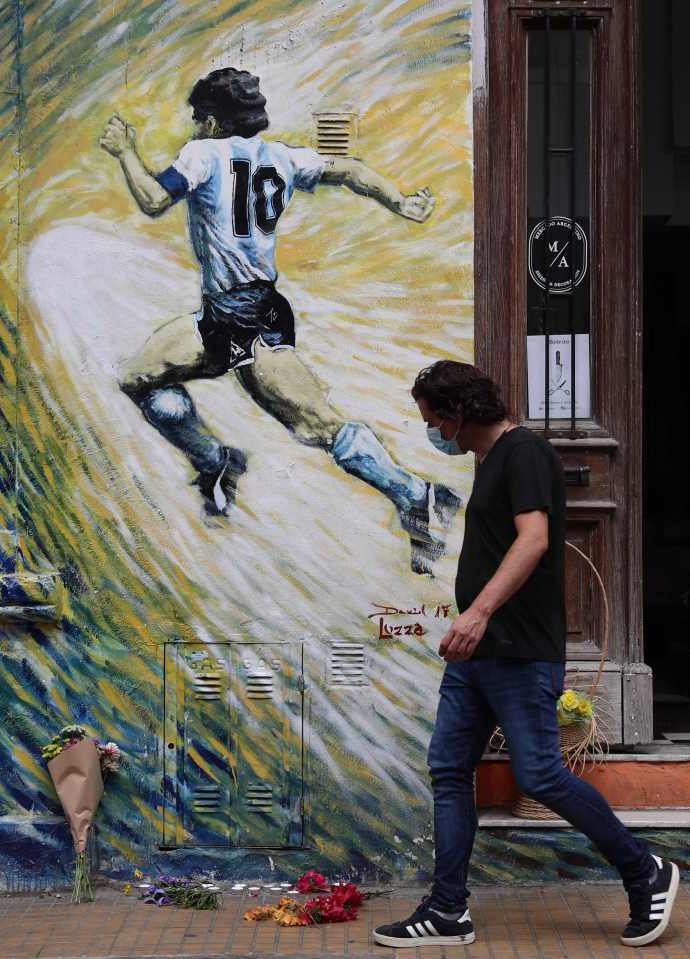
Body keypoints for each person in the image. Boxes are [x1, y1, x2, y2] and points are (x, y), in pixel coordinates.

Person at [99, 68, 460, 574]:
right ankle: (214, 460)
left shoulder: (203, 153)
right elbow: (350, 169)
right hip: (232, 312)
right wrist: (398, 201)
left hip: (243, 316)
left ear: (210, 121)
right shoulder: (282, 156)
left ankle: (416, 495)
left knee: (317, 425)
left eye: (198, 118)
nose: (194, 126)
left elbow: (155, 199)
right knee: (138, 375)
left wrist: (125, 153)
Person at [373, 360, 679, 949]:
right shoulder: (491, 462)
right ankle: (446, 911)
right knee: (448, 769)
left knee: (539, 772)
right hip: (478, 653)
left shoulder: (524, 453)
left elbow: (534, 539)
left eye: (434, 421)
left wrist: (479, 611)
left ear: (458, 414)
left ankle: (645, 871)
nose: (435, 433)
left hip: (516, 648)